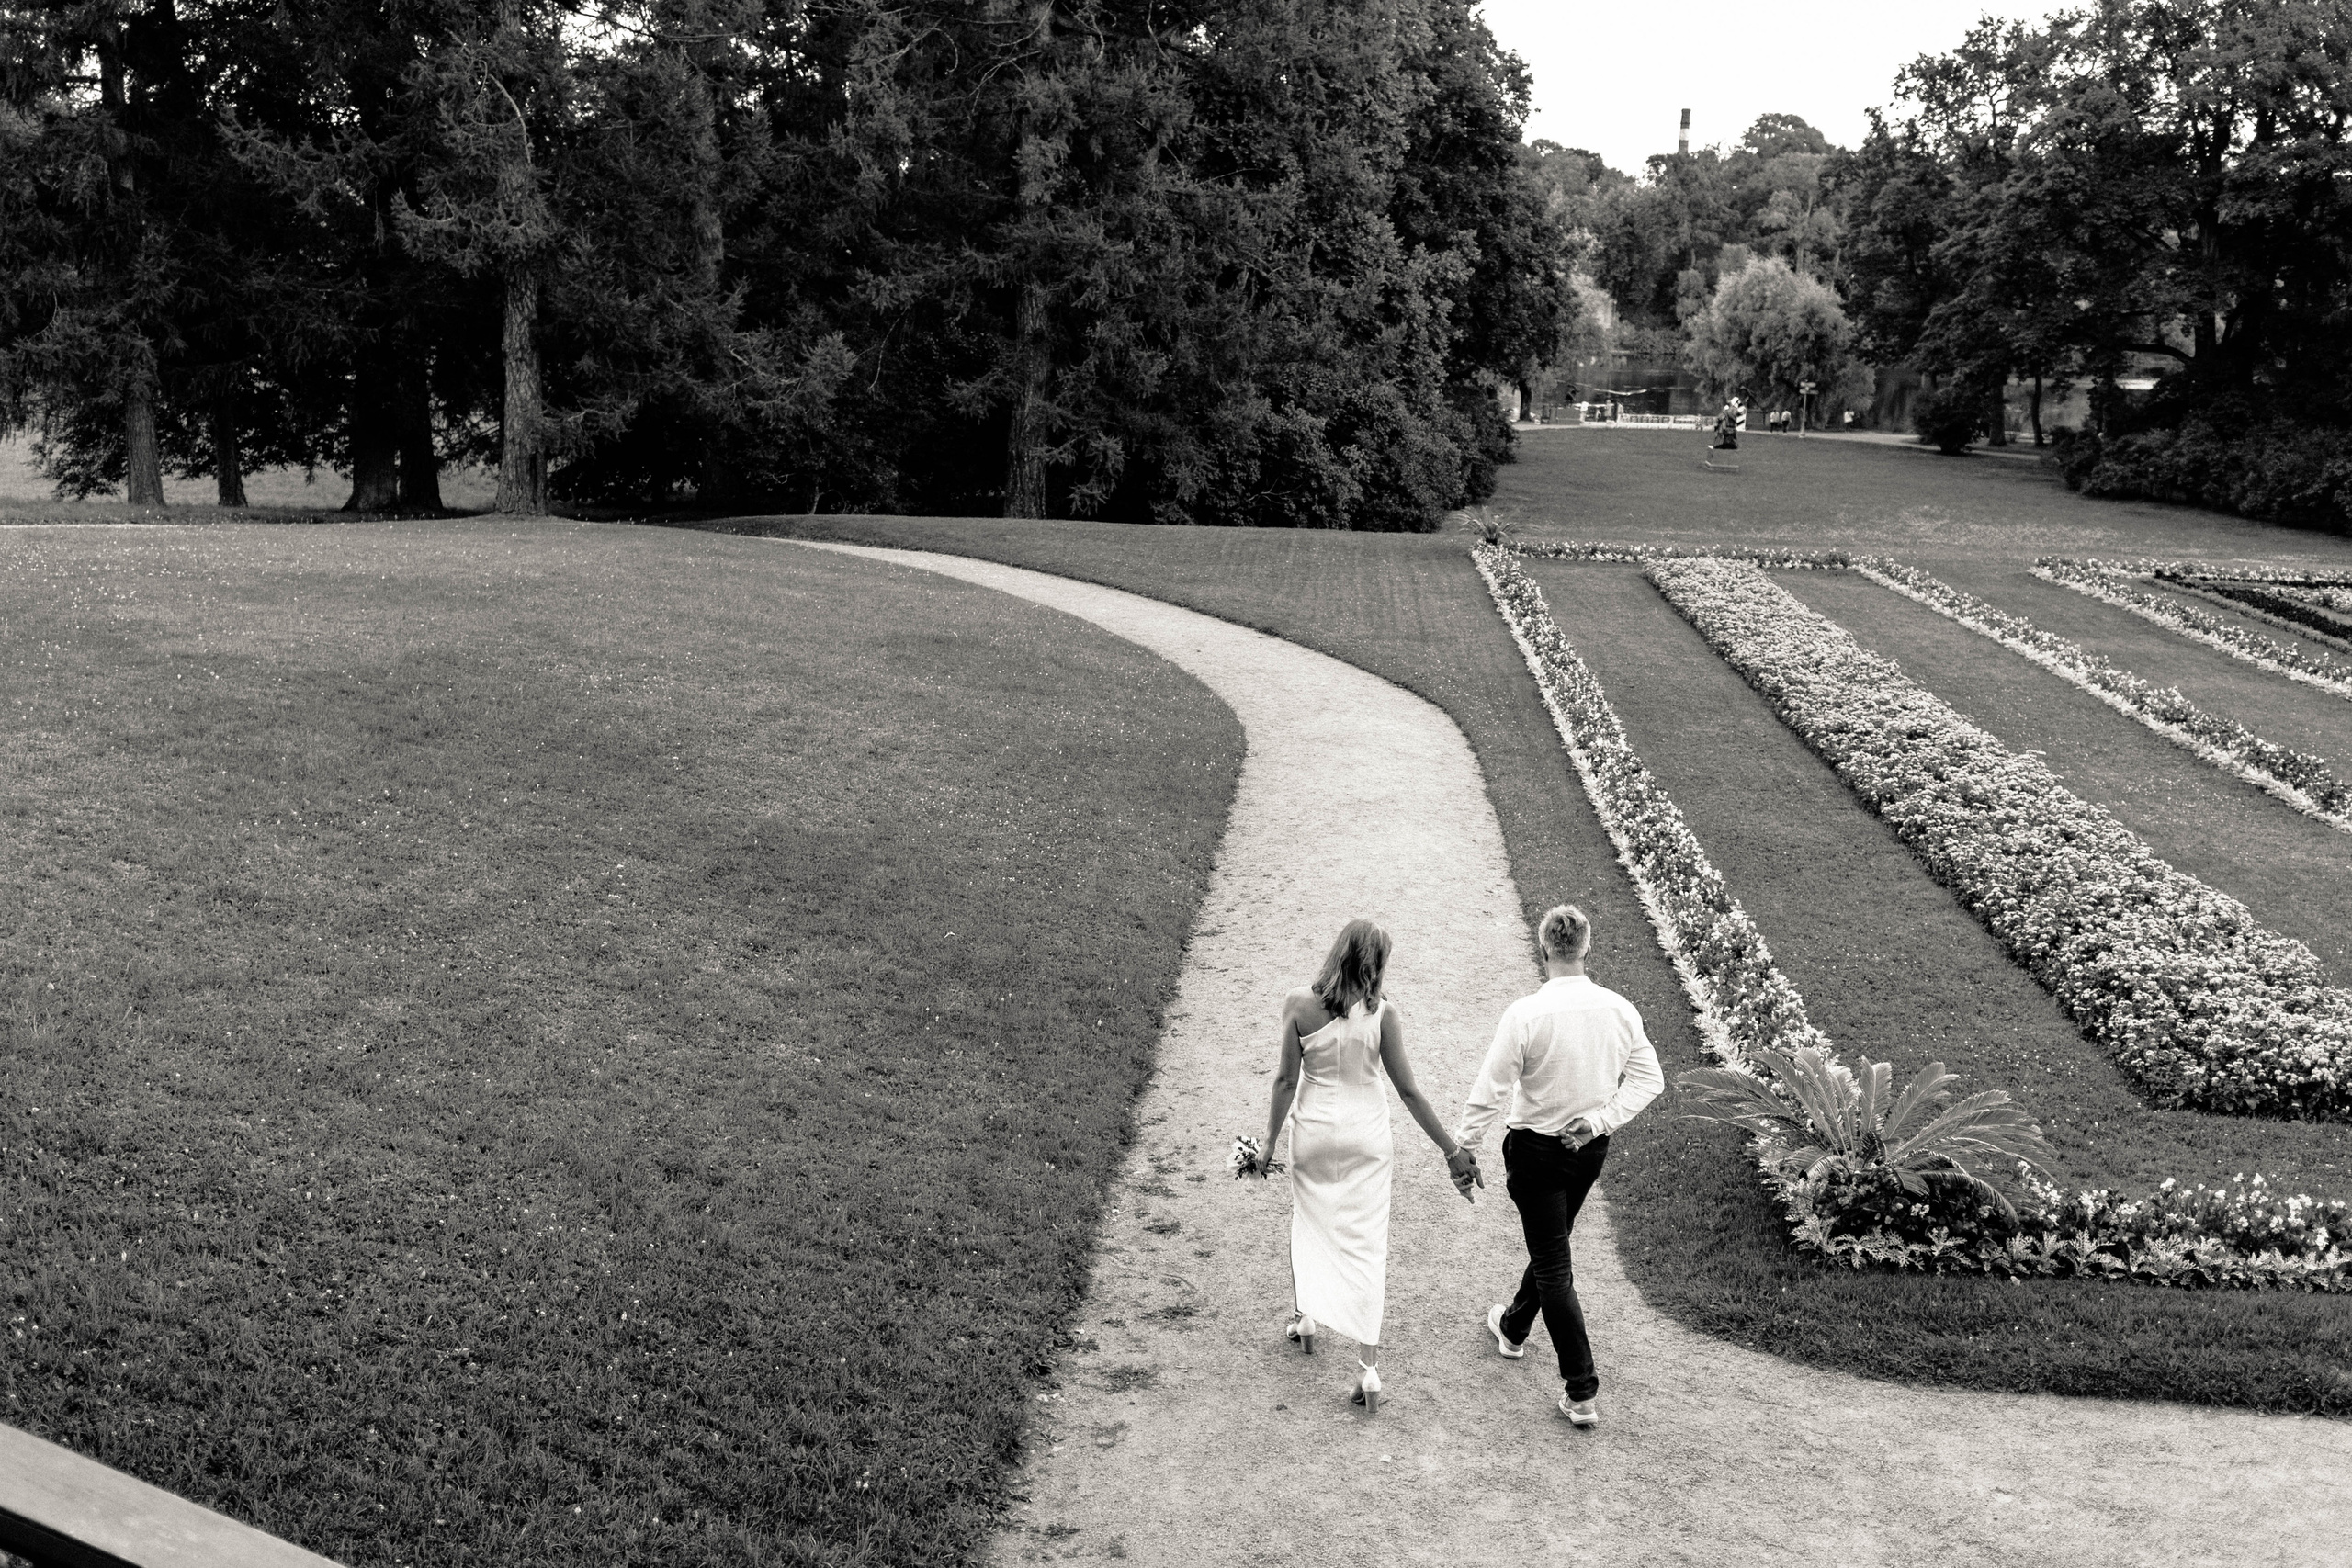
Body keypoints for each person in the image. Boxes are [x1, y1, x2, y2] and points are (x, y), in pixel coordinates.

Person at [1450, 905, 1662, 1429]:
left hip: (1536, 1152)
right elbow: (1648, 1080)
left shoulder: (1526, 1014)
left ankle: (1582, 1390)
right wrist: (1600, 1120)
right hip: (1587, 1153)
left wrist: (1463, 1145)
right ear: (1586, 948)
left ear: (1543, 949)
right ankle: (1514, 1328)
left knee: (1553, 1266)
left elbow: (1492, 1088)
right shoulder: (1619, 1009)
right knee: (1553, 1247)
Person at [1261, 919, 1475, 1415]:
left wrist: (1269, 1143)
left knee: (1309, 1222)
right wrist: (1450, 1149)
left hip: (1314, 1131)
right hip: (1368, 1137)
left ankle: (1306, 1316)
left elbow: (1283, 1083)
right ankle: (1368, 1367)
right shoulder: (1384, 1015)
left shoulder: (1299, 1004)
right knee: (1367, 1245)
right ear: (1375, 965)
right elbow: (1410, 1091)